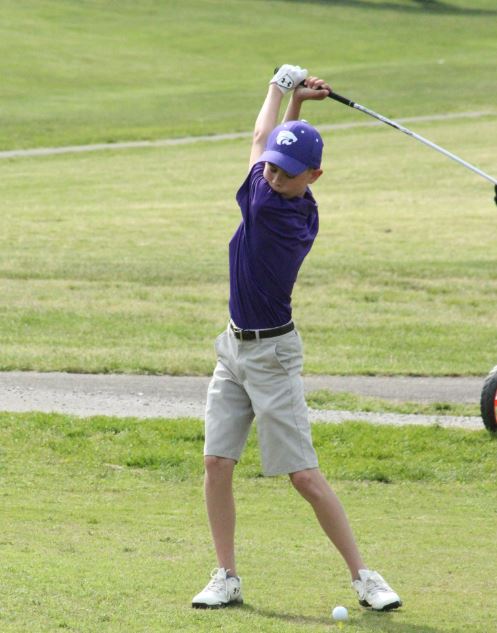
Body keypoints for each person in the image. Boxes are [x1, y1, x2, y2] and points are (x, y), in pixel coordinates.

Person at [191, 65, 402, 613]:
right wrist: (298, 105)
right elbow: (274, 145)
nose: (275, 175)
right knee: (216, 463)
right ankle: (226, 577)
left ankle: (365, 578)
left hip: (272, 357)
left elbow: (258, 139)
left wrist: (278, 86)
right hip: (233, 349)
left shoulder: (271, 211)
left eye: (287, 172)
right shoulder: (290, 195)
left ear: (314, 176)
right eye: (274, 168)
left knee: (304, 476)